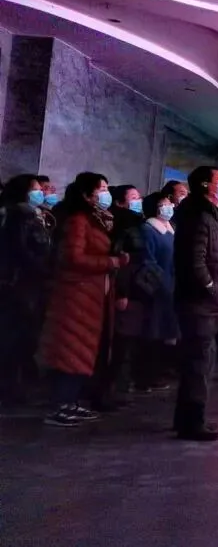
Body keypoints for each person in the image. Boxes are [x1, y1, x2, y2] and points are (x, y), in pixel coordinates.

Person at [38, 173, 127, 427]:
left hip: (91, 295)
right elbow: (73, 258)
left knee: (83, 350)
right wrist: (111, 262)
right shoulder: (79, 220)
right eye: (101, 189)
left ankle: (72, 401)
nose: (105, 193)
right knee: (70, 350)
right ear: (87, 194)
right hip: (75, 295)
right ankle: (60, 405)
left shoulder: (96, 219)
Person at [172, 166, 218, 441]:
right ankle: (192, 422)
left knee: (200, 361)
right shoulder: (199, 215)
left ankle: (185, 418)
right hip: (199, 302)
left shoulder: (211, 214)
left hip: (208, 303)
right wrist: (211, 287)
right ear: (205, 185)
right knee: (199, 362)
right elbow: (195, 260)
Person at [0, 174, 53, 405]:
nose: (40, 192)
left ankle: (15, 384)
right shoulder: (19, 216)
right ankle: (11, 387)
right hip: (21, 283)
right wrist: (44, 270)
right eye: (36, 188)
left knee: (21, 335)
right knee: (17, 336)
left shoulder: (29, 215)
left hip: (25, 283)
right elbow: (23, 251)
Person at [92, 184, 145, 410]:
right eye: (133, 197)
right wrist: (122, 291)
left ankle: (112, 389)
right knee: (117, 344)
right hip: (122, 289)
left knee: (123, 344)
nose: (138, 201)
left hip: (130, 289)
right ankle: (106, 391)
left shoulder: (131, 221)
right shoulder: (123, 223)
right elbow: (123, 259)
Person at [130, 192, 178, 393]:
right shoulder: (149, 230)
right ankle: (144, 377)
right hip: (156, 288)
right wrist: (162, 283)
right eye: (164, 204)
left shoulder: (170, 230)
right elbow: (148, 261)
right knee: (151, 333)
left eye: (169, 203)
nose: (169, 206)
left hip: (172, 287)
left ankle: (157, 373)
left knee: (164, 334)